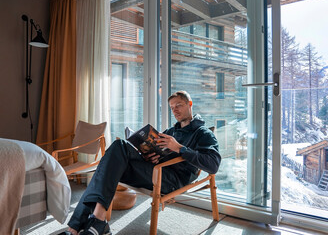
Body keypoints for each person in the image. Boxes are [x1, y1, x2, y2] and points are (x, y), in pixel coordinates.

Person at [61, 91, 221, 235]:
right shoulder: (170, 131)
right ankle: (87, 225)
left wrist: (179, 148)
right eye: (172, 107)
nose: (175, 110)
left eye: (178, 105)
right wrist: (150, 156)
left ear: (190, 104)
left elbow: (213, 165)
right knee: (118, 147)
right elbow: (158, 153)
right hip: (154, 171)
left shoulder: (203, 133)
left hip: (173, 180)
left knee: (106, 168)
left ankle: (84, 225)